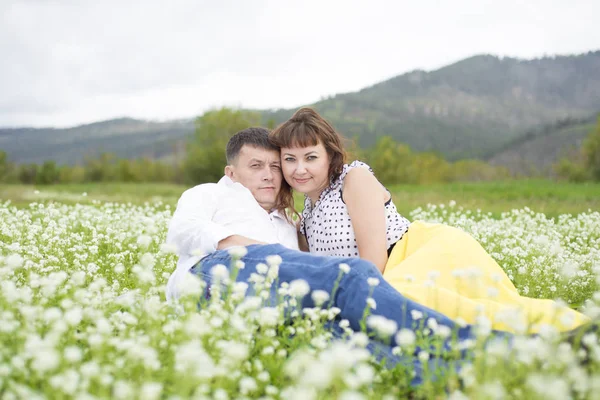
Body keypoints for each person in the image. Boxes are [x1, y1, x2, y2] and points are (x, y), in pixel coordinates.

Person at [269, 107, 590, 334]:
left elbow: (372, 261)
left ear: (330, 156)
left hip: (421, 255)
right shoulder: (305, 220)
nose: (300, 169)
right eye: (290, 160)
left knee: (474, 314)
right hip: (378, 279)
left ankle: (576, 330)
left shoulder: (354, 179)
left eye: (311, 157)